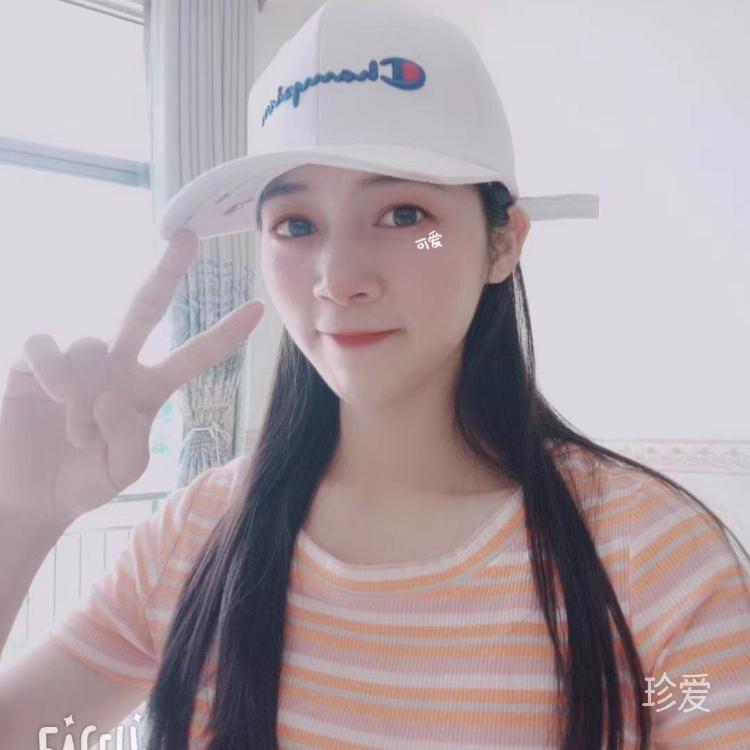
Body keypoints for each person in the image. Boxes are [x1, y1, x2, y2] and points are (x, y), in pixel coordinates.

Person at [1, 1, 749, 749]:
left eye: (404, 216)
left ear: (502, 243)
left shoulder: (652, 560)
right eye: (296, 225)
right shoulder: (197, 535)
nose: (338, 278)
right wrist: (20, 514)